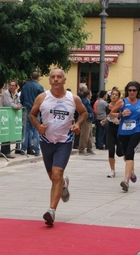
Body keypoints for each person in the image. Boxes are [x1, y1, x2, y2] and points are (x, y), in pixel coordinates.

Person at [30, 68, 87, 227]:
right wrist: (38, 126)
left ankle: (51, 211)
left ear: (64, 80)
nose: (56, 79)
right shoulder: (42, 98)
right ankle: (64, 185)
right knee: (53, 177)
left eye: (59, 77)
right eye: (53, 77)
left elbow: (84, 113)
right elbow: (32, 115)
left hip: (64, 140)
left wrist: (77, 124)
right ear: (49, 80)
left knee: (57, 174)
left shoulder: (73, 98)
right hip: (46, 140)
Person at [110, 81, 140, 192]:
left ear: (138, 91)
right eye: (130, 90)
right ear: (127, 91)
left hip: (136, 130)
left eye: (134, 90)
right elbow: (111, 113)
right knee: (126, 154)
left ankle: (126, 181)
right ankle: (131, 172)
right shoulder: (122, 102)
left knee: (130, 152)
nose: (132, 92)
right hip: (123, 132)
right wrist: (121, 114)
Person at [20, 72, 44, 156]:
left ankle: (23, 149)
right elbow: (43, 100)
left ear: (31, 77)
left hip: (26, 110)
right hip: (36, 111)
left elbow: (21, 98)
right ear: (38, 78)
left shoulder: (25, 87)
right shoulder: (40, 87)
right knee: (36, 130)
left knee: (26, 130)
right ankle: (36, 150)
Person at [0, 80, 22, 159]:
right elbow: (9, 103)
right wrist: (17, 107)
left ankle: (4, 151)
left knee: (8, 133)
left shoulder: (16, 94)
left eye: (13, 85)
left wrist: (19, 105)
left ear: (16, 87)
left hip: (11, 116)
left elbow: (19, 102)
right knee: (5, 132)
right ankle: (5, 151)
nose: (11, 87)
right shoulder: (6, 93)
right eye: (10, 85)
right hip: (4, 115)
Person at [105, 88, 124, 178]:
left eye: (116, 95)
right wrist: (105, 120)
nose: (114, 96)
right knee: (111, 150)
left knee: (119, 152)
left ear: (118, 97)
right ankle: (112, 170)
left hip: (120, 130)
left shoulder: (121, 107)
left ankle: (125, 155)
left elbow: (124, 117)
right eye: (113, 94)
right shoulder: (107, 106)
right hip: (111, 130)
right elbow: (108, 116)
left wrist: (119, 121)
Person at [78, 90, 95, 155]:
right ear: (87, 95)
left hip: (89, 119)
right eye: (90, 94)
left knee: (89, 134)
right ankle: (81, 149)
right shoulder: (85, 101)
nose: (91, 95)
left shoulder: (87, 101)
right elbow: (83, 110)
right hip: (86, 119)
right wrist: (89, 115)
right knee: (85, 134)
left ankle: (89, 149)